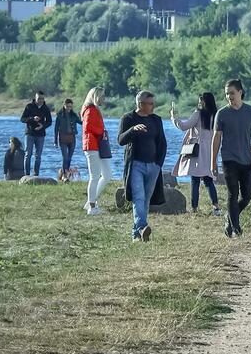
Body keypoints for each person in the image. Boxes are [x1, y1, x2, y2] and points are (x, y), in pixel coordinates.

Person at [210, 79, 251, 238]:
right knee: (233, 193)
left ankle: (230, 218)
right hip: (229, 159)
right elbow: (216, 138)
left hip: (246, 159)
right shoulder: (222, 113)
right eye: (226, 94)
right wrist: (213, 162)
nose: (229, 96)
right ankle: (236, 229)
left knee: (247, 196)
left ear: (240, 92)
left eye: (231, 93)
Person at [119, 90, 167, 243]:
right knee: (138, 197)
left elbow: (162, 143)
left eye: (153, 103)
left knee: (145, 200)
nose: (153, 106)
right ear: (140, 104)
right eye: (150, 104)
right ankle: (142, 227)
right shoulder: (128, 118)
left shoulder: (156, 120)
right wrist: (132, 130)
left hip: (153, 166)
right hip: (136, 165)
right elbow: (120, 140)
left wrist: (159, 164)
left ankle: (136, 234)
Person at [171, 92, 221, 217]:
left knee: (195, 180)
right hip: (210, 151)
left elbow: (184, 126)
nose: (199, 103)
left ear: (204, 102)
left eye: (201, 100)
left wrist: (173, 117)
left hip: (197, 151)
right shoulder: (216, 115)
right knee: (209, 180)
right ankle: (216, 207)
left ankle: (194, 208)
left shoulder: (198, 114)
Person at [82, 88, 113, 216]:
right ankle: (92, 207)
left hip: (98, 145)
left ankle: (90, 201)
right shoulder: (90, 110)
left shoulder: (94, 109)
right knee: (94, 176)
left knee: (107, 175)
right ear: (95, 97)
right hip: (92, 145)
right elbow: (88, 126)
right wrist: (101, 132)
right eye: (102, 97)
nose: (103, 99)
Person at [20, 89, 53, 177]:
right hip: (29, 134)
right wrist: (32, 119)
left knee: (38, 156)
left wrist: (43, 126)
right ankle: (26, 175)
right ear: (35, 98)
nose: (40, 101)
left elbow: (49, 121)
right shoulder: (29, 106)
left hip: (40, 134)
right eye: (39, 99)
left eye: (42, 99)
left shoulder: (46, 108)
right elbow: (22, 119)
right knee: (28, 154)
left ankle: (36, 175)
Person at [54, 98, 80, 182]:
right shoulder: (60, 115)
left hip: (72, 138)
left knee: (69, 157)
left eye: (70, 107)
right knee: (65, 157)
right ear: (64, 105)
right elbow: (56, 129)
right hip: (63, 138)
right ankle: (64, 175)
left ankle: (67, 174)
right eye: (68, 106)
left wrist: (82, 116)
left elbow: (82, 122)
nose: (69, 108)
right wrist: (55, 141)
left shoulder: (74, 115)